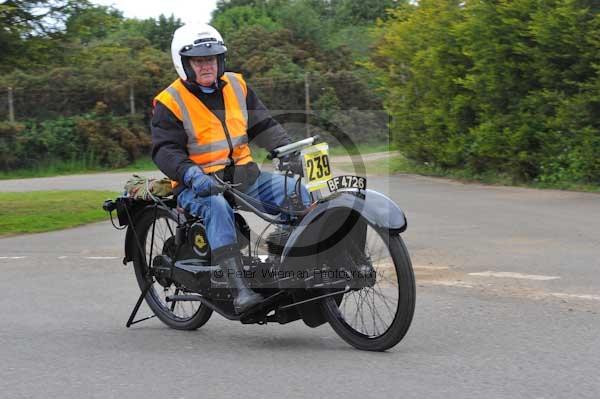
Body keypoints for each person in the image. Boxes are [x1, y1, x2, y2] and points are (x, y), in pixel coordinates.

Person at [151, 23, 310, 314]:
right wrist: (191, 175)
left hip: (244, 177)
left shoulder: (237, 85)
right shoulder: (170, 101)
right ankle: (239, 290)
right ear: (183, 63)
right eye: (199, 61)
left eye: (211, 59)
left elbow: (264, 125)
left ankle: (291, 270)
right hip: (199, 185)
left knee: (297, 192)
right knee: (217, 208)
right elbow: (165, 151)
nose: (207, 66)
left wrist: (287, 151)